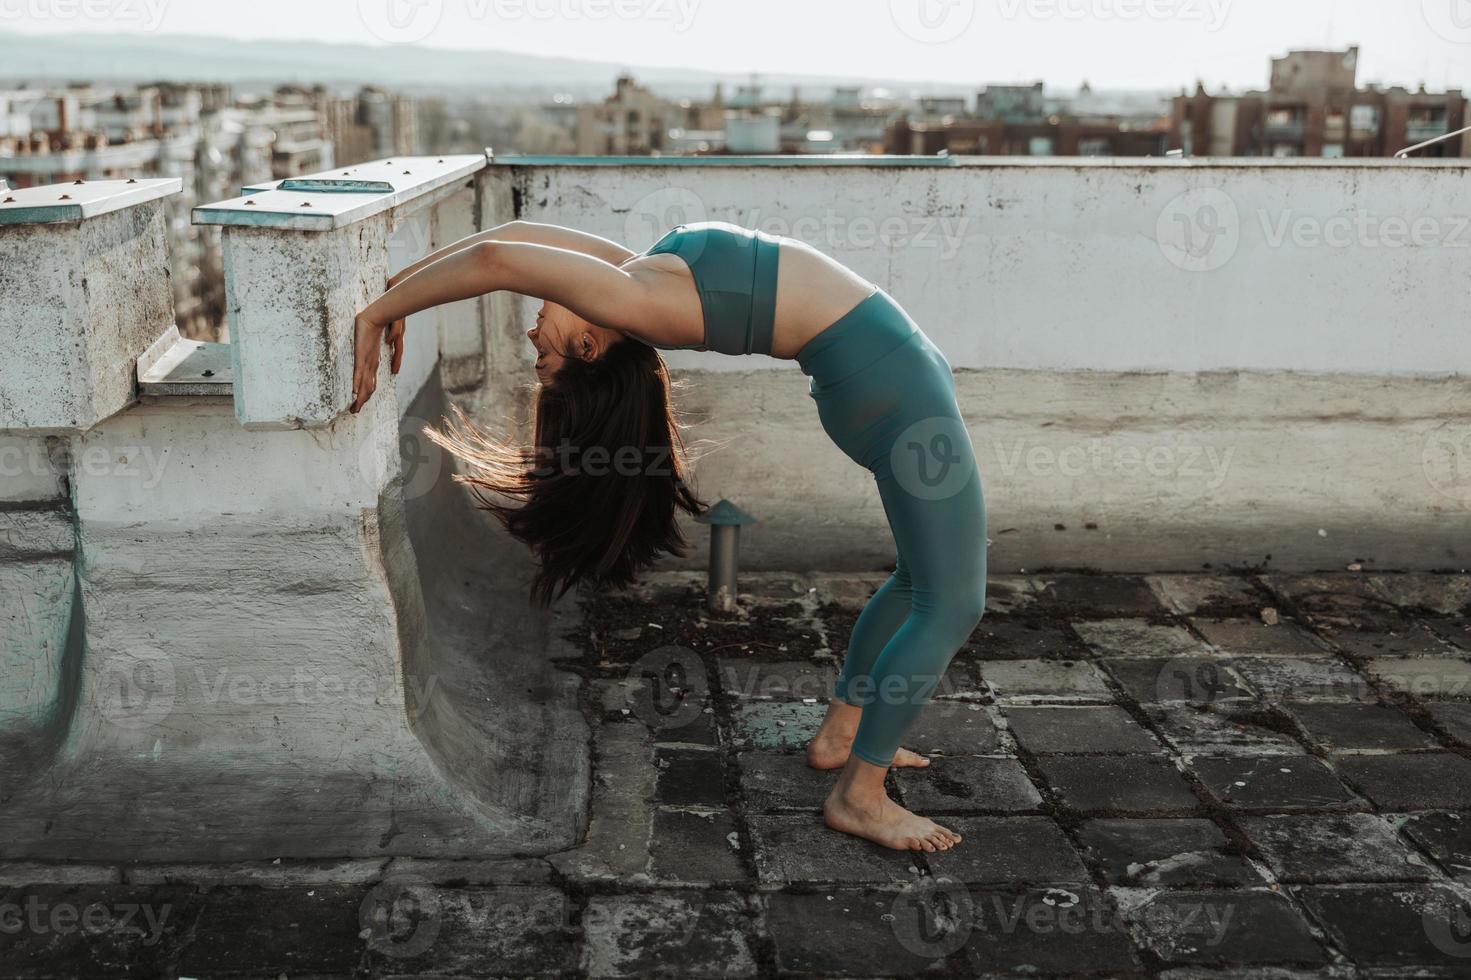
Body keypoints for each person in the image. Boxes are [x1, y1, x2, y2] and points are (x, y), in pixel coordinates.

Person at [353, 219, 987, 853]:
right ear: (589, 345)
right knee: (953, 601)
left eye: (536, 352)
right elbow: (497, 257)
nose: (531, 337)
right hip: (896, 396)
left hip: (890, 380)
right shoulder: (637, 302)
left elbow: (515, 235)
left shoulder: (636, 284)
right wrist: (383, 311)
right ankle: (860, 796)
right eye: (542, 353)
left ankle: (843, 737)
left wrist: (400, 291)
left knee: (919, 580)